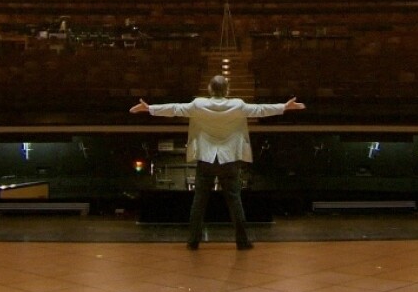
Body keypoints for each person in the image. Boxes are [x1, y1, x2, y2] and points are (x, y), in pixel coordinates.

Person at [130, 75, 305, 250]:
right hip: (229, 159)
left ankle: (193, 241)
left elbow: (175, 109)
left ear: (210, 89)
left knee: (199, 201)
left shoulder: (198, 104)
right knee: (235, 201)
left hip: (206, 158)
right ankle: (242, 241)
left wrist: (149, 108)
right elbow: (260, 110)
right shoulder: (238, 105)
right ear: (227, 90)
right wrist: (285, 107)